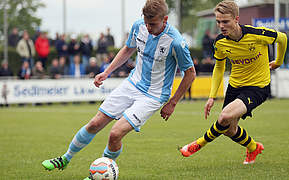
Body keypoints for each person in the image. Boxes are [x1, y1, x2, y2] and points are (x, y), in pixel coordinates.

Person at [41, 0, 196, 178]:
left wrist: (173, 102)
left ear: (165, 19)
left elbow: (190, 73)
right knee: (94, 123)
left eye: (152, 24)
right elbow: (127, 49)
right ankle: (65, 158)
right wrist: (106, 72)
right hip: (132, 84)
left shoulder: (176, 42)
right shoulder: (139, 26)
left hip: (153, 95)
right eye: (146, 22)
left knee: (115, 134)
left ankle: (96, 176)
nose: (148, 27)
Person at [179, 0, 287, 165]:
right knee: (229, 129)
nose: (221, 25)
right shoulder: (220, 42)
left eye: (225, 21)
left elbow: (282, 38)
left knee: (224, 116)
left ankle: (198, 144)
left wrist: (278, 61)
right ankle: (253, 147)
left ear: (236, 19)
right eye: (218, 22)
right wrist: (211, 96)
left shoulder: (257, 34)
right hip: (235, 86)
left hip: (258, 87)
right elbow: (219, 68)